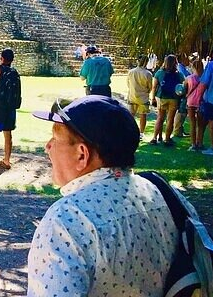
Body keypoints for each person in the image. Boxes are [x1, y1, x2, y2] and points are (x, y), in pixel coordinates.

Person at [28, 95, 187, 296]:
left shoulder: (67, 221)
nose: (48, 147)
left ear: (82, 155)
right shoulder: (165, 193)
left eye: (56, 139)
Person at [150, 54, 185, 146]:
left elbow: (154, 87)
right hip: (173, 98)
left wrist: (153, 98)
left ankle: (154, 138)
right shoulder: (179, 74)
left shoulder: (159, 73)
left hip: (162, 97)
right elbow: (183, 86)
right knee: (170, 119)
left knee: (160, 118)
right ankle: (167, 139)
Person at [126, 55, 152, 139]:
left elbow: (128, 84)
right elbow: (150, 87)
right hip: (143, 97)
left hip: (132, 95)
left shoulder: (131, 72)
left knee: (131, 115)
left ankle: (129, 131)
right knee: (143, 115)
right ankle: (141, 133)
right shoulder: (148, 74)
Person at [184, 58, 206, 151]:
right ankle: (199, 143)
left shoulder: (189, 78)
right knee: (200, 125)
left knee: (192, 124)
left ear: (193, 67)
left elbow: (184, 89)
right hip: (200, 102)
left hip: (190, 102)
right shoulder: (204, 78)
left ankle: (193, 144)